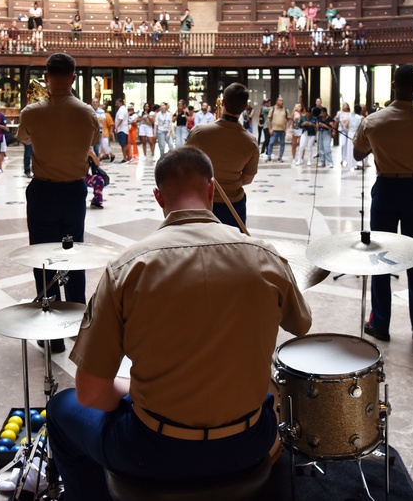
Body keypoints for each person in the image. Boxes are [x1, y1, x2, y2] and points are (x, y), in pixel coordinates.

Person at [46, 146, 312, 501]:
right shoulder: (263, 255)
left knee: (61, 410)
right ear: (212, 190)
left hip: (155, 451)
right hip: (249, 443)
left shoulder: (127, 268)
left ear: (158, 197)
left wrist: (133, 393)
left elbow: (91, 393)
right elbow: (302, 325)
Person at [353, 65, 413, 342]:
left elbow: (358, 153)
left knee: (379, 257)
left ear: (394, 86)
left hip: (385, 189)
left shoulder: (374, 121)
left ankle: (380, 323)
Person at [16, 53, 99, 353]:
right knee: (75, 255)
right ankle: (77, 324)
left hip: (43, 191)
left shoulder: (32, 112)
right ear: (74, 77)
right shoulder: (88, 112)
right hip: (74, 191)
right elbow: (94, 140)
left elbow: (24, 139)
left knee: (43, 258)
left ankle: (51, 335)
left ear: (47, 76)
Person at [185, 83, 259, 230]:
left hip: (203, 201)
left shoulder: (200, 132)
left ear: (222, 103)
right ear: (245, 107)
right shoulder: (250, 142)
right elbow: (248, 179)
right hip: (233, 203)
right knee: (232, 246)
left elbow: (185, 165)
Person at [265, 96, 289, 162]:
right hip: (274, 130)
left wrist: (287, 129)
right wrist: (270, 129)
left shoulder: (286, 110)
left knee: (282, 144)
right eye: (280, 101)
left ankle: (280, 156)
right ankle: (269, 156)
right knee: (271, 143)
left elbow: (289, 120)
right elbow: (269, 119)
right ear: (277, 102)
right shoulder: (272, 109)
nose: (282, 102)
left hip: (282, 131)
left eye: (282, 101)